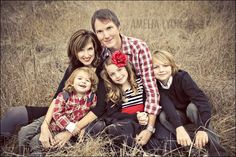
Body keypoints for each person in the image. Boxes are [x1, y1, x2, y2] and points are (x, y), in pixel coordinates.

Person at [71, 9, 161, 147]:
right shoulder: (99, 52)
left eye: (109, 28)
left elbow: (151, 89)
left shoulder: (138, 48)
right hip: (115, 109)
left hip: (141, 107)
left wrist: (149, 128)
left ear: (118, 26)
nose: (106, 35)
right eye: (100, 31)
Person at [0, 29, 103, 141]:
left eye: (90, 49)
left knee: (34, 139)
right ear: (74, 52)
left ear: (95, 49)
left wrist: (75, 128)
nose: (86, 55)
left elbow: (100, 108)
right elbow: (57, 97)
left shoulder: (102, 71)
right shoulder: (73, 68)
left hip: (80, 120)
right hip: (62, 112)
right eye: (81, 50)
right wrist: (45, 125)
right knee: (14, 113)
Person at [152, 50, 227, 156]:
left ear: (172, 66)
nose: (161, 70)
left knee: (192, 108)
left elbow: (202, 101)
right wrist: (179, 127)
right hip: (178, 116)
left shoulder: (182, 77)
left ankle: (218, 152)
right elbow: (167, 106)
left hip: (192, 113)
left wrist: (202, 128)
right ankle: (192, 148)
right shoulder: (155, 84)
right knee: (163, 116)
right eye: (156, 67)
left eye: (165, 65)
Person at [18, 67, 98, 156]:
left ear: (91, 85)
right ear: (72, 82)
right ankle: (23, 154)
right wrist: (70, 126)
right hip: (53, 121)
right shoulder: (64, 95)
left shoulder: (91, 98)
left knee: (36, 141)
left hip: (60, 129)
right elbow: (57, 113)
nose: (83, 82)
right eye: (79, 78)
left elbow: (90, 114)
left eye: (87, 80)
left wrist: (83, 127)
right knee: (24, 132)